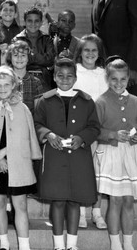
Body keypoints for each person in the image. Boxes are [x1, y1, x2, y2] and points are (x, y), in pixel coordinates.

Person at [34, 58, 100, 250]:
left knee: (74, 201)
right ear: (54, 77)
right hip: (55, 157)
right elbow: (37, 124)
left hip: (79, 157)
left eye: (69, 76)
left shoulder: (87, 101)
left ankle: (72, 245)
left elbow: (94, 127)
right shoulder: (44, 100)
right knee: (58, 200)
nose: (64, 79)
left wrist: (82, 138)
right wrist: (48, 134)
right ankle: (58, 245)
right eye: (60, 76)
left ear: (75, 78)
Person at [0, 67, 41, 250]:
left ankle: (24, 245)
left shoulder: (22, 108)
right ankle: (4, 243)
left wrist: (8, 154)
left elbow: (25, 138)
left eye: (6, 84)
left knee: (20, 203)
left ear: (14, 85)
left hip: (18, 163)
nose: (2, 88)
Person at [94, 58, 137, 250]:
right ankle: (115, 243)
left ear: (128, 79)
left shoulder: (136, 102)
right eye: (114, 79)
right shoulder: (101, 101)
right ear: (107, 78)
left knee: (128, 200)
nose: (118, 84)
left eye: (122, 79)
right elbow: (94, 130)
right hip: (110, 153)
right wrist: (112, 134)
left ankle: (128, 243)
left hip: (131, 153)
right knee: (116, 199)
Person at [72, 34, 108, 229]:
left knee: (98, 172)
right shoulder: (74, 72)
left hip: (99, 129)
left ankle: (97, 211)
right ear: (80, 52)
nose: (90, 54)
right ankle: (80, 213)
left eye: (94, 50)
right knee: (81, 171)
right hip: (79, 129)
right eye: (86, 50)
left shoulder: (104, 74)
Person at [13, 7, 55, 91]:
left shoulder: (47, 39)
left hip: (44, 78)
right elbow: (16, 60)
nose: (33, 24)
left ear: (41, 22)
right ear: (24, 22)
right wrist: (41, 58)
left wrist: (30, 56)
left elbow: (50, 60)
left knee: (42, 102)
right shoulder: (17, 39)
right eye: (29, 21)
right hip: (22, 76)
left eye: (36, 21)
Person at [5, 41, 44, 113]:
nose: (19, 58)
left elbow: (38, 111)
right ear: (10, 58)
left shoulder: (36, 82)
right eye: (16, 55)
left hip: (29, 122)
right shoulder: (5, 81)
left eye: (23, 55)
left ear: (28, 58)